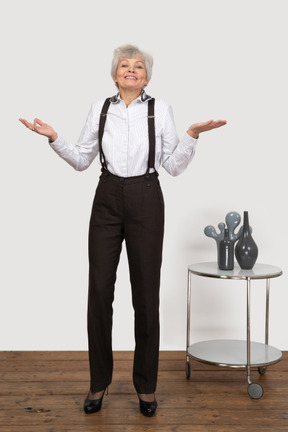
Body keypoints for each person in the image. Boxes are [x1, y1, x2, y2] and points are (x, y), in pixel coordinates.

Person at [19, 44, 226, 417]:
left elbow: (173, 166)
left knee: (146, 295)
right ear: (115, 74)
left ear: (147, 76)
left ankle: (146, 388)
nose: (131, 70)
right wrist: (54, 138)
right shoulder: (99, 109)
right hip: (107, 197)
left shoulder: (159, 110)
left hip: (147, 198)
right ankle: (99, 383)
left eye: (139, 66)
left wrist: (192, 136)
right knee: (99, 292)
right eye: (125, 66)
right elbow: (82, 159)